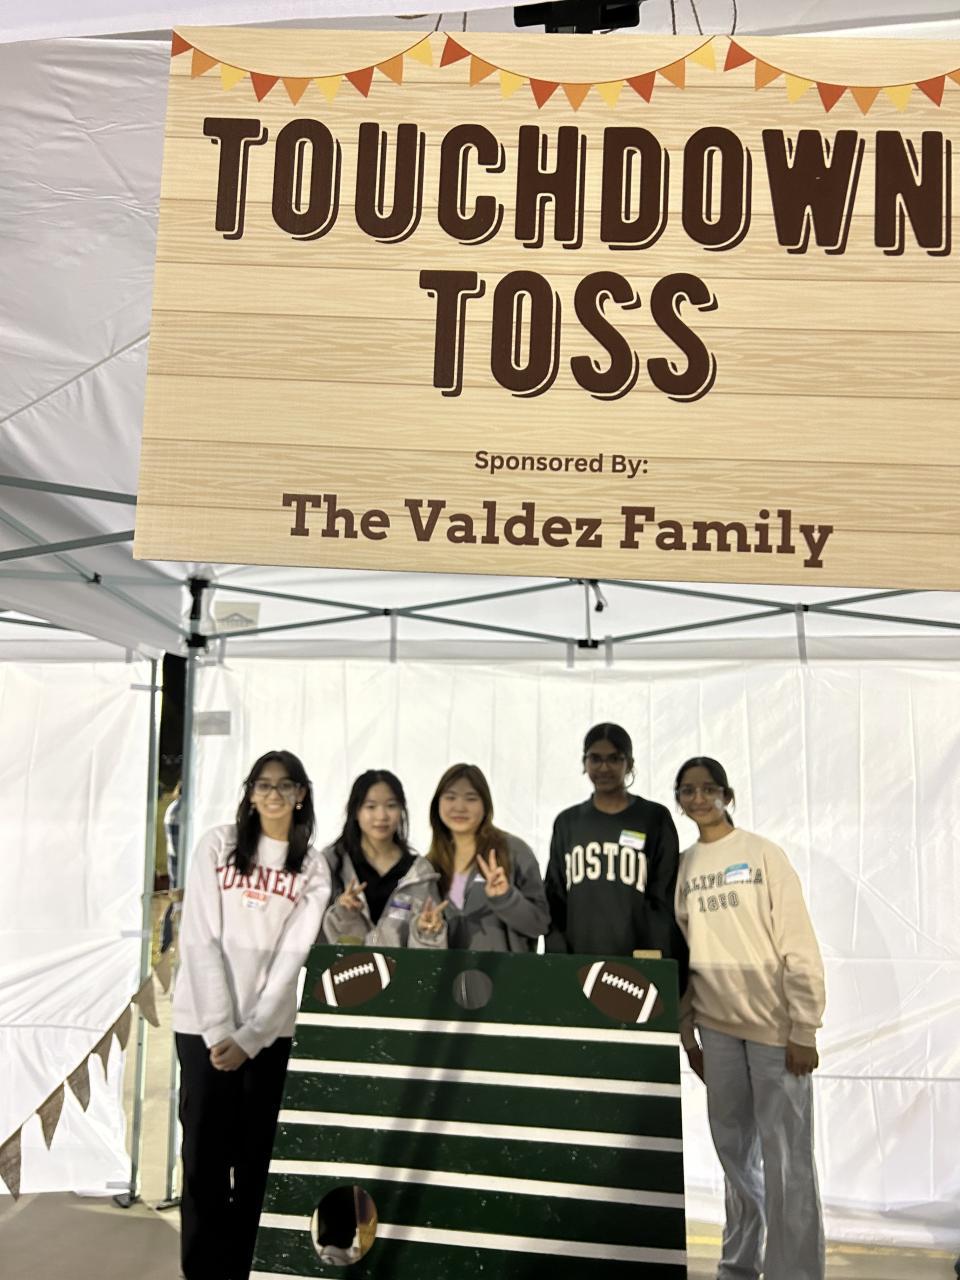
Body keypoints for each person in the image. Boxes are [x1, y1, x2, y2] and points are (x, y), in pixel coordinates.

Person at [172, 750, 332, 1280]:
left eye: (285, 785)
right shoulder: (216, 845)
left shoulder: (311, 866)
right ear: (250, 793)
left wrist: (252, 1035)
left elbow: (293, 957)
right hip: (201, 1029)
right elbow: (199, 937)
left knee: (255, 1159)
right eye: (262, 785)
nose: (273, 794)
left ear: (301, 794)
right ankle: (203, 1271)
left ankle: (244, 1269)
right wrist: (222, 1029)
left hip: (269, 1035)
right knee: (204, 1161)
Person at [674, 755, 826, 1280]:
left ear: (728, 795)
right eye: (687, 790)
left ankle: (794, 1273)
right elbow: (683, 953)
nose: (698, 798)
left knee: (788, 1162)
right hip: (716, 1030)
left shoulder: (763, 855)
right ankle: (738, 1265)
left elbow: (797, 943)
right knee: (734, 1156)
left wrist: (804, 1028)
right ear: (679, 800)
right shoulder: (684, 866)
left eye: (708, 788)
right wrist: (688, 1034)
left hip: (775, 1033)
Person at [544, 723, 686, 969]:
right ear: (584, 763)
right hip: (578, 961)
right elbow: (554, 896)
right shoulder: (568, 822)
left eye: (614, 759)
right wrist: (558, 956)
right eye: (595, 759)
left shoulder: (654, 818)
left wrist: (656, 957)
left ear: (629, 764)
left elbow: (664, 895)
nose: (604, 767)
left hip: (638, 961)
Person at [426, 763, 549, 951]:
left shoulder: (513, 851)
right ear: (437, 804)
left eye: (471, 798)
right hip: (446, 970)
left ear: (486, 804)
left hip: (503, 970)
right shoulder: (429, 865)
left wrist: (506, 898)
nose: (459, 807)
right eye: (450, 797)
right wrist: (424, 929)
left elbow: (539, 924)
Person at [320, 769, 446, 948]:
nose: (381, 816)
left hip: (401, 967)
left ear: (402, 810)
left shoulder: (420, 873)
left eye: (391, 806)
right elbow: (315, 935)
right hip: (344, 966)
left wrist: (427, 931)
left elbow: (429, 949)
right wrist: (343, 913)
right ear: (355, 811)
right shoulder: (332, 863)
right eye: (371, 807)